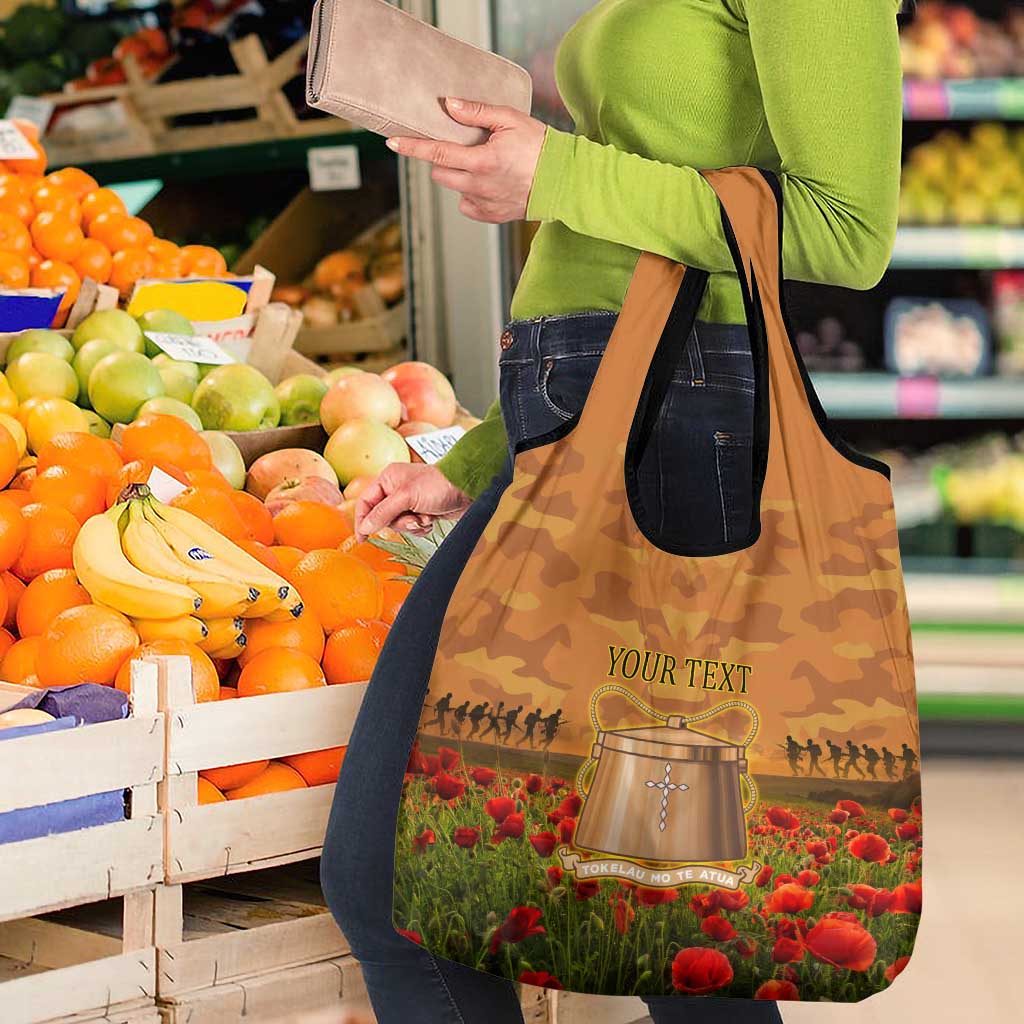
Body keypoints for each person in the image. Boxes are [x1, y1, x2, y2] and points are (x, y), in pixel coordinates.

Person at [321, 2, 905, 1022]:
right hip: (581, 437)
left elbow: (847, 230)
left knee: (652, 927)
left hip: (674, 450)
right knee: (649, 925)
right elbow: (622, 244)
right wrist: (480, 456)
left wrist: (556, 172)